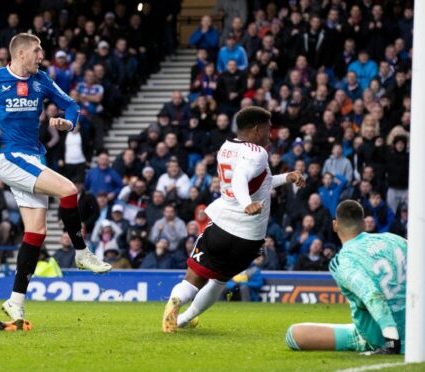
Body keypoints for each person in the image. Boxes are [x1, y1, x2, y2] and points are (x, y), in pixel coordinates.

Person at [0, 33, 110, 326]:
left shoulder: (41, 80)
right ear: (22, 53)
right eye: (38, 51)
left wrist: (68, 122)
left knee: (36, 232)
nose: (42, 56)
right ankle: (81, 252)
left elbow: (72, 105)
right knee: (68, 190)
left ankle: (15, 302)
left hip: (33, 158)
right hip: (10, 157)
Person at [161, 107, 304, 333]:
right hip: (249, 237)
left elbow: (260, 183)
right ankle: (184, 319)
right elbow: (241, 179)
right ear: (257, 129)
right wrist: (246, 203)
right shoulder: (258, 152)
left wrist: (287, 177)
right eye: (268, 129)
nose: (271, 134)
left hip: (220, 227)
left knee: (192, 279)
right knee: (219, 282)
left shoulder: (226, 148)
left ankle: (176, 301)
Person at [286, 200, 405, 355]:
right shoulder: (394, 239)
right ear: (363, 224)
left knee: (293, 335)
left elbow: (372, 295)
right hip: (418, 330)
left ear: (335, 225)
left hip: (384, 337)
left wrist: (391, 342)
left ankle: (372, 338)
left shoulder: (343, 261)